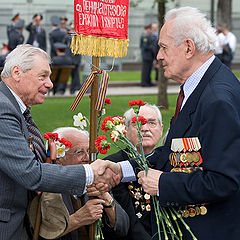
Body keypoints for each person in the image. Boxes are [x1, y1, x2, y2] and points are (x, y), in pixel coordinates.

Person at [106, 6, 240, 240]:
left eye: (164, 47)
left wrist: (163, 183)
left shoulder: (217, 98)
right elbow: (173, 153)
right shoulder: (200, 85)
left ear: (188, 47)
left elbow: (224, 180)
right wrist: (122, 169)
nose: (158, 55)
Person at [0, 44, 120, 240]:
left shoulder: (15, 109)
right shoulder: (3, 109)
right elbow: (31, 173)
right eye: (43, 76)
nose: (50, 84)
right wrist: (90, 173)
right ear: (17, 72)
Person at [28, 127, 129, 240]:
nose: (87, 158)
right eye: (79, 152)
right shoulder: (48, 189)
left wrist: (107, 201)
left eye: (89, 151)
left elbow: (123, 229)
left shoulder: (95, 182)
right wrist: (77, 219)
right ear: (59, 158)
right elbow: (39, 234)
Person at [105, 104, 163, 240]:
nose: (144, 128)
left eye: (152, 123)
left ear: (161, 130)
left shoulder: (170, 162)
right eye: (137, 123)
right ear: (125, 130)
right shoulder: (114, 166)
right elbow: (127, 221)